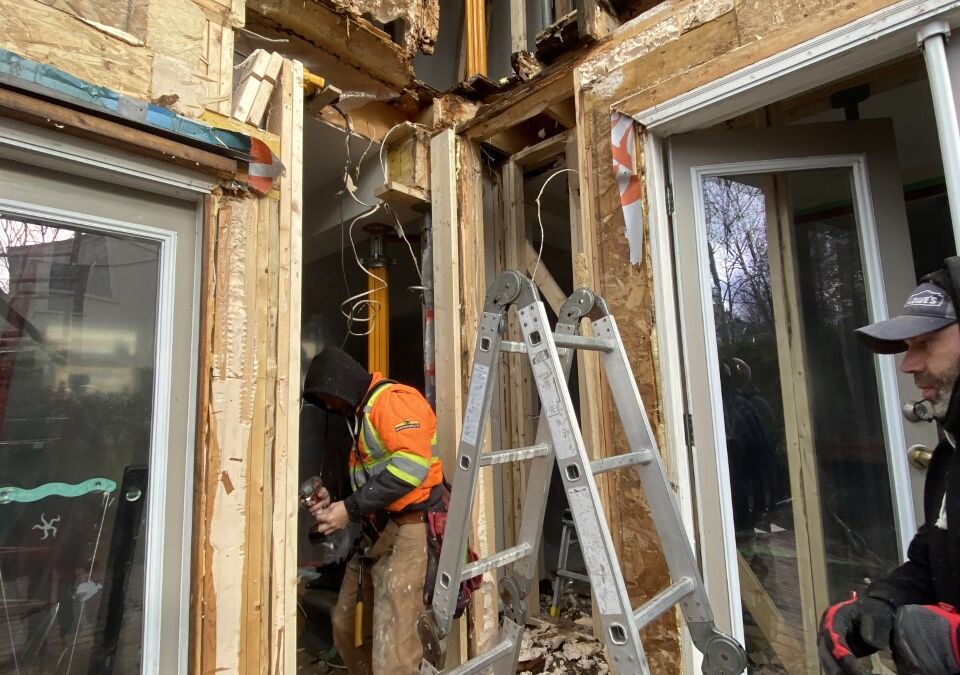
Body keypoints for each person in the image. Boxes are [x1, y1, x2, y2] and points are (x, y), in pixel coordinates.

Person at [818, 259, 960, 675]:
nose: (907, 364)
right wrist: (881, 604)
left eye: (925, 343)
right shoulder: (951, 450)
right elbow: (932, 563)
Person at [302, 346, 443, 675]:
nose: (329, 406)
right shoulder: (361, 419)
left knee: (394, 646)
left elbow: (410, 470)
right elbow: (373, 480)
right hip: (375, 534)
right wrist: (332, 499)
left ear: (341, 383)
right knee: (344, 624)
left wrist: (347, 510)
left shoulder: (393, 401)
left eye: (328, 397)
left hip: (410, 530)